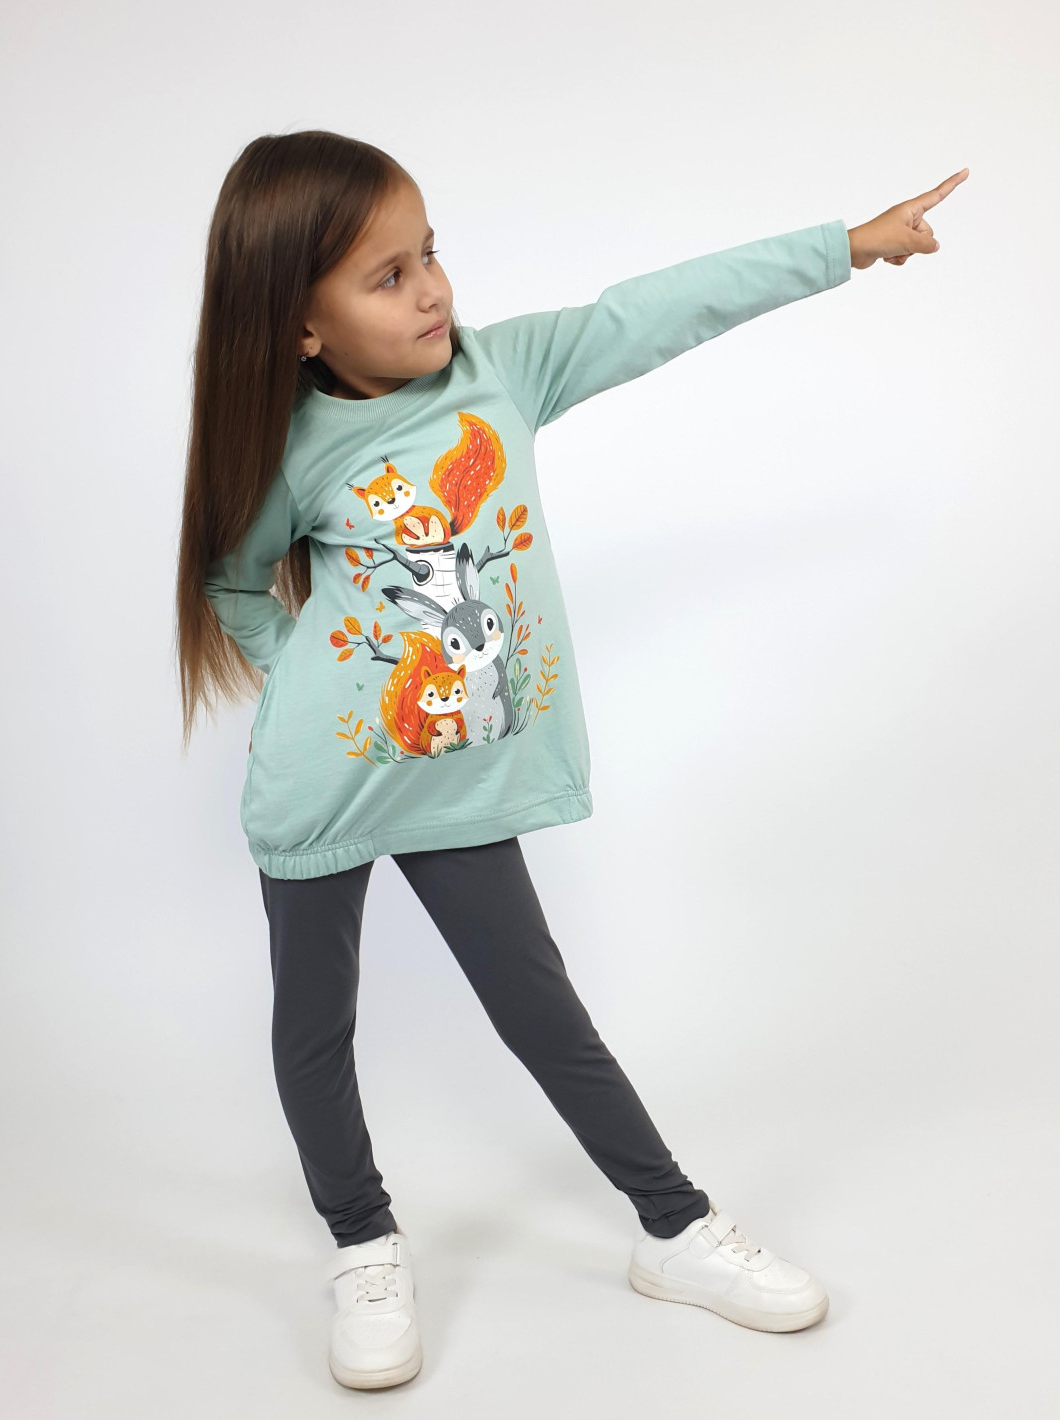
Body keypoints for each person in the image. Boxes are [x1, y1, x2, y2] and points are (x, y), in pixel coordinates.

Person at [174, 132, 967, 1390]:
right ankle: (363, 1244)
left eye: (428, 254)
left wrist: (845, 248)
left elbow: (654, 310)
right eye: (387, 276)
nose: (431, 289)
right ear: (301, 326)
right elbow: (230, 581)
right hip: (321, 785)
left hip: (459, 782)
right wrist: (311, 688)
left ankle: (673, 1227)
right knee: (315, 1026)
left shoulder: (502, 373)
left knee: (540, 1011)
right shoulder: (288, 447)